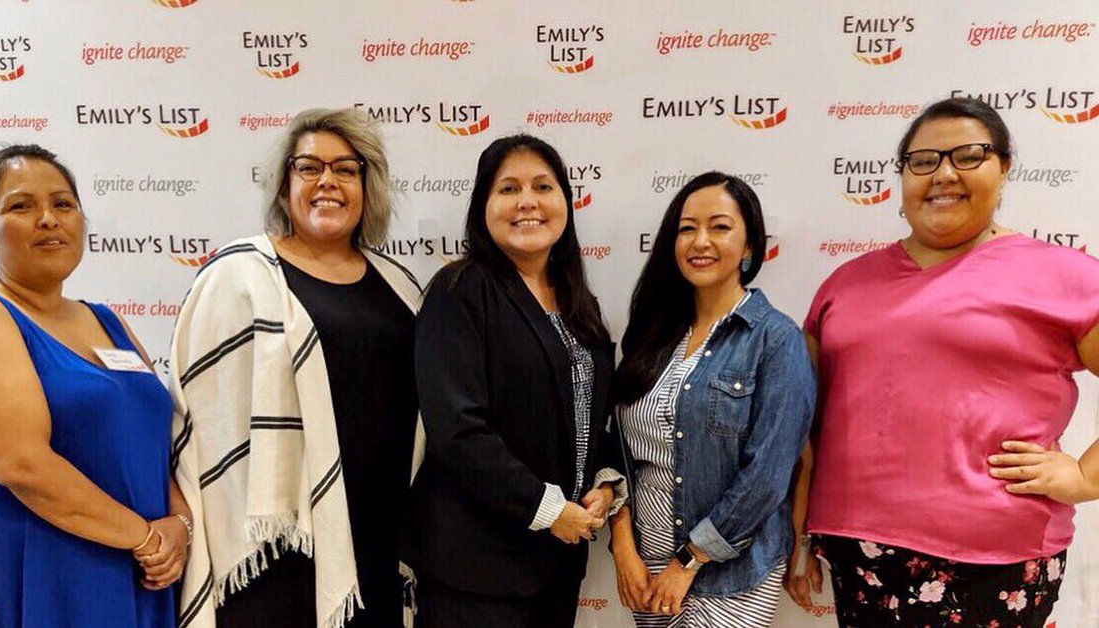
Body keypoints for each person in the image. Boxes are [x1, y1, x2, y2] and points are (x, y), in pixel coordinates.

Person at [786, 97, 1099, 627]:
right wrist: (798, 535)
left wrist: (1085, 478)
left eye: (969, 156)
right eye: (924, 160)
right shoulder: (845, 284)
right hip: (857, 551)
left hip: (995, 557)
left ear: (1004, 168)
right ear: (904, 177)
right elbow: (804, 428)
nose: (944, 173)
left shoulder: (1065, 276)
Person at [0, 145, 189, 627]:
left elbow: (150, 442)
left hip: (133, 566)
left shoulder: (108, 322)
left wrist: (178, 526)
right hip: (22, 570)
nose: (48, 219)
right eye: (21, 206)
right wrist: (143, 537)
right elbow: (22, 465)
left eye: (63, 204)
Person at [170, 108, 423, 628]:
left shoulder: (400, 285)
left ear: (366, 185)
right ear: (285, 185)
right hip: (277, 545)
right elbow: (200, 421)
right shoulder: (237, 276)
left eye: (345, 169)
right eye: (309, 168)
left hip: (377, 535)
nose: (327, 181)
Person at [405, 134, 625, 628]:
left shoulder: (578, 304)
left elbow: (592, 419)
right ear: (483, 205)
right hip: (475, 567)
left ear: (565, 202)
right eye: (508, 189)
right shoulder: (459, 291)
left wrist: (605, 486)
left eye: (543, 186)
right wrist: (549, 510)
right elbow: (458, 430)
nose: (527, 201)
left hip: (556, 566)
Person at [607, 172, 815, 627]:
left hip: (729, 571)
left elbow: (768, 476)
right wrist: (622, 542)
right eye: (687, 228)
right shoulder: (650, 333)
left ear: (748, 247)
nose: (700, 241)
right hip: (648, 565)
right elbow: (618, 449)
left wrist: (690, 560)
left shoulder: (776, 340)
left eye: (720, 227)